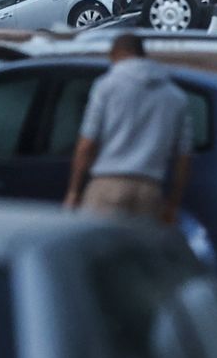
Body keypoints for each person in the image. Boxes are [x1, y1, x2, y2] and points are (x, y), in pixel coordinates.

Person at [64, 34, 192, 223]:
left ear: (115, 53)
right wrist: (173, 203)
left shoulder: (106, 86)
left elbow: (87, 143)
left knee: (98, 250)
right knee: (139, 252)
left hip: (107, 185)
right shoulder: (175, 96)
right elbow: (184, 157)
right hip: (150, 190)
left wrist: (74, 191)